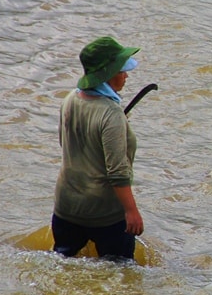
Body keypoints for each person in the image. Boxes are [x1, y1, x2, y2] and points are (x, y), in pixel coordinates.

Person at [52, 36, 145, 259]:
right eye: (122, 70)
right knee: (119, 277)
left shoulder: (69, 99)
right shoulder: (111, 114)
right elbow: (117, 172)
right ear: (109, 74)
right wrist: (131, 212)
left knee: (64, 265)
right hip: (104, 214)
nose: (126, 75)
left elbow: (65, 143)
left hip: (65, 208)